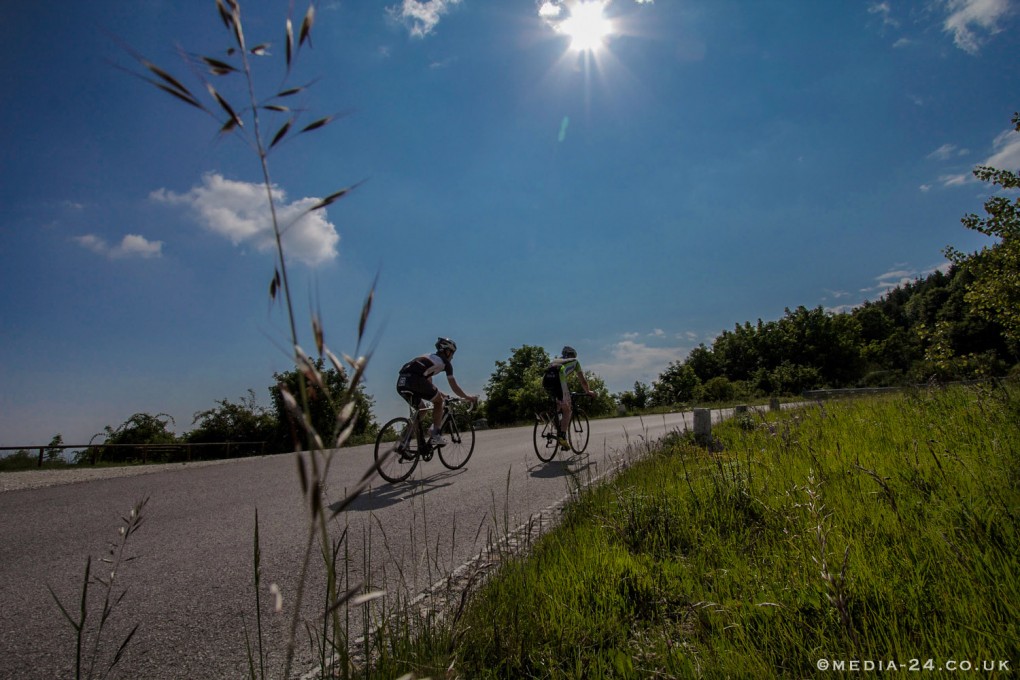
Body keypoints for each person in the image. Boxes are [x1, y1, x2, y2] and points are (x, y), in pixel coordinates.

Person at [396, 337, 478, 447]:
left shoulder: (428, 358)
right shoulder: (446, 364)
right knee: (439, 402)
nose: (453, 357)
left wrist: (442, 394)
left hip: (402, 381)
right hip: (415, 380)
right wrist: (468, 397)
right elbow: (454, 386)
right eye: (452, 353)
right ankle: (435, 434)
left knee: (422, 410)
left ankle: (403, 441)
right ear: (447, 351)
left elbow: (428, 383)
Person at [542, 346, 596, 450]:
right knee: (567, 409)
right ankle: (562, 436)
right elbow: (583, 381)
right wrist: (588, 391)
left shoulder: (555, 361)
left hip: (546, 381)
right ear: (573, 355)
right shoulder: (575, 362)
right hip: (559, 379)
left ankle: (550, 418)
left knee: (558, 405)